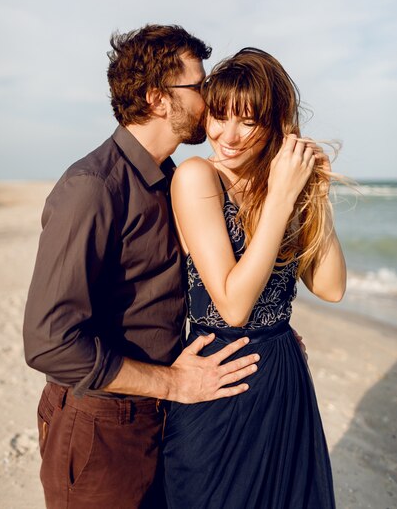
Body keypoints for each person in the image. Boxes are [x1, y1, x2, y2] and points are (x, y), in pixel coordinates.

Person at [22, 26, 261, 509]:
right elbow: (49, 343)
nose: (210, 98)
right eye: (199, 86)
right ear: (157, 99)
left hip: (161, 419)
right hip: (99, 428)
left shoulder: (172, 180)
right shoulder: (92, 188)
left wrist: (267, 329)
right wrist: (173, 383)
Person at [163, 47, 347, 509]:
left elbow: (331, 287)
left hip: (283, 377)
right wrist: (282, 199)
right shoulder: (196, 176)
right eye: (220, 116)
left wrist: (312, 194)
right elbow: (233, 305)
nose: (227, 135)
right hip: (218, 377)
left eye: (247, 121)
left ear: (276, 124)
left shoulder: (281, 186)